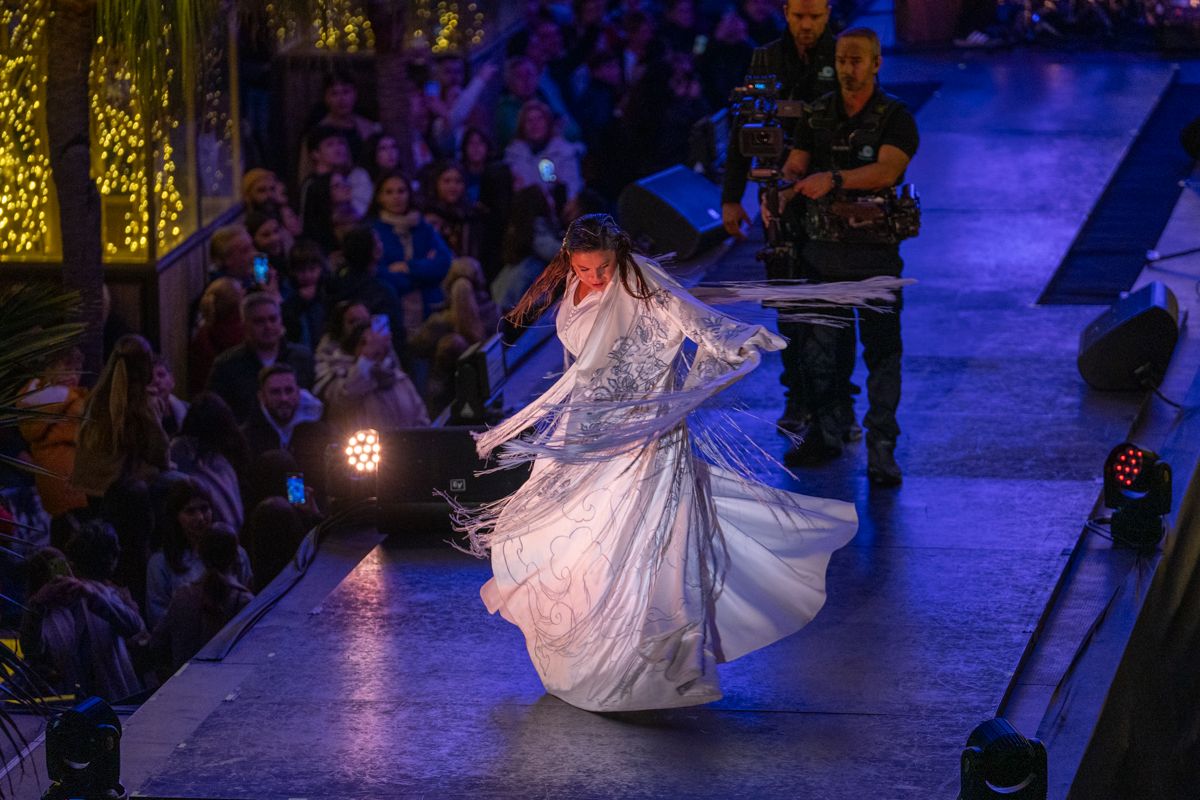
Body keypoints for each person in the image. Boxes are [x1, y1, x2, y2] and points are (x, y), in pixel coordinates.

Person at [451, 214, 857, 712]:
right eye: (584, 269)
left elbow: (696, 319)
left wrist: (735, 339)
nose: (595, 278)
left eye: (603, 267)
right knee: (569, 542)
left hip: (645, 435)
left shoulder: (645, 284)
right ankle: (588, 658)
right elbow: (582, 365)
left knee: (641, 549)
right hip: (585, 432)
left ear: (619, 254)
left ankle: (639, 668)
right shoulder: (573, 288)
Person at [776, 27, 919, 485]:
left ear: (876, 63)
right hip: (822, 256)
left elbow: (887, 170)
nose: (846, 69)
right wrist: (787, 182)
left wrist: (833, 179)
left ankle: (882, 448)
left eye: (856, 60)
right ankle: (827, 432)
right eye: (841, 60)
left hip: (875, 258)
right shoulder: (817, 113)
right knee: (822, 354)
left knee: (882, 355)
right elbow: (797, 162)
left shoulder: (895, 116)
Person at [722, 0, 839, 435]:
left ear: (828, 11)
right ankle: (797, 396)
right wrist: (731, 197)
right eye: (799, 16)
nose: (806, 25)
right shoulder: (766, 57)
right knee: (788, 298)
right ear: (786, 11)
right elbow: (744, 127)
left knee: (833, 300)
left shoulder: (844, 52)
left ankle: (837, 402)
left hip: (829, 189)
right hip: (776, 193)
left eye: (815, 17)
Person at [149, 523, 255, 674]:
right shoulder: (244, 601)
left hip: (185, 684)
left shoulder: (182, 595)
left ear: (200, 553)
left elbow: (157, 643)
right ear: (236, 556)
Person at [146, 479, 252, 629]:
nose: (201, 518)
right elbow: (158, 618)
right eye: (190, 511)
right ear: (176, 517)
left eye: (204, 509)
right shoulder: (160, 563)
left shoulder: (236, 553)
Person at [206, 292, 315, 423]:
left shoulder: (302, 358)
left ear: (281, 321)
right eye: (259, 321)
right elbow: (215, 414)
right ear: (245, 326)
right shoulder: (227, 365)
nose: (268, 326)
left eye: (273, 319)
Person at [240, 364, 325, 454]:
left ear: (298, 393)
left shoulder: (319, 434)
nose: (284, 398)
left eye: (289, 391)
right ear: (262, 397)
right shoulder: (246, 439)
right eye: (275, 392)